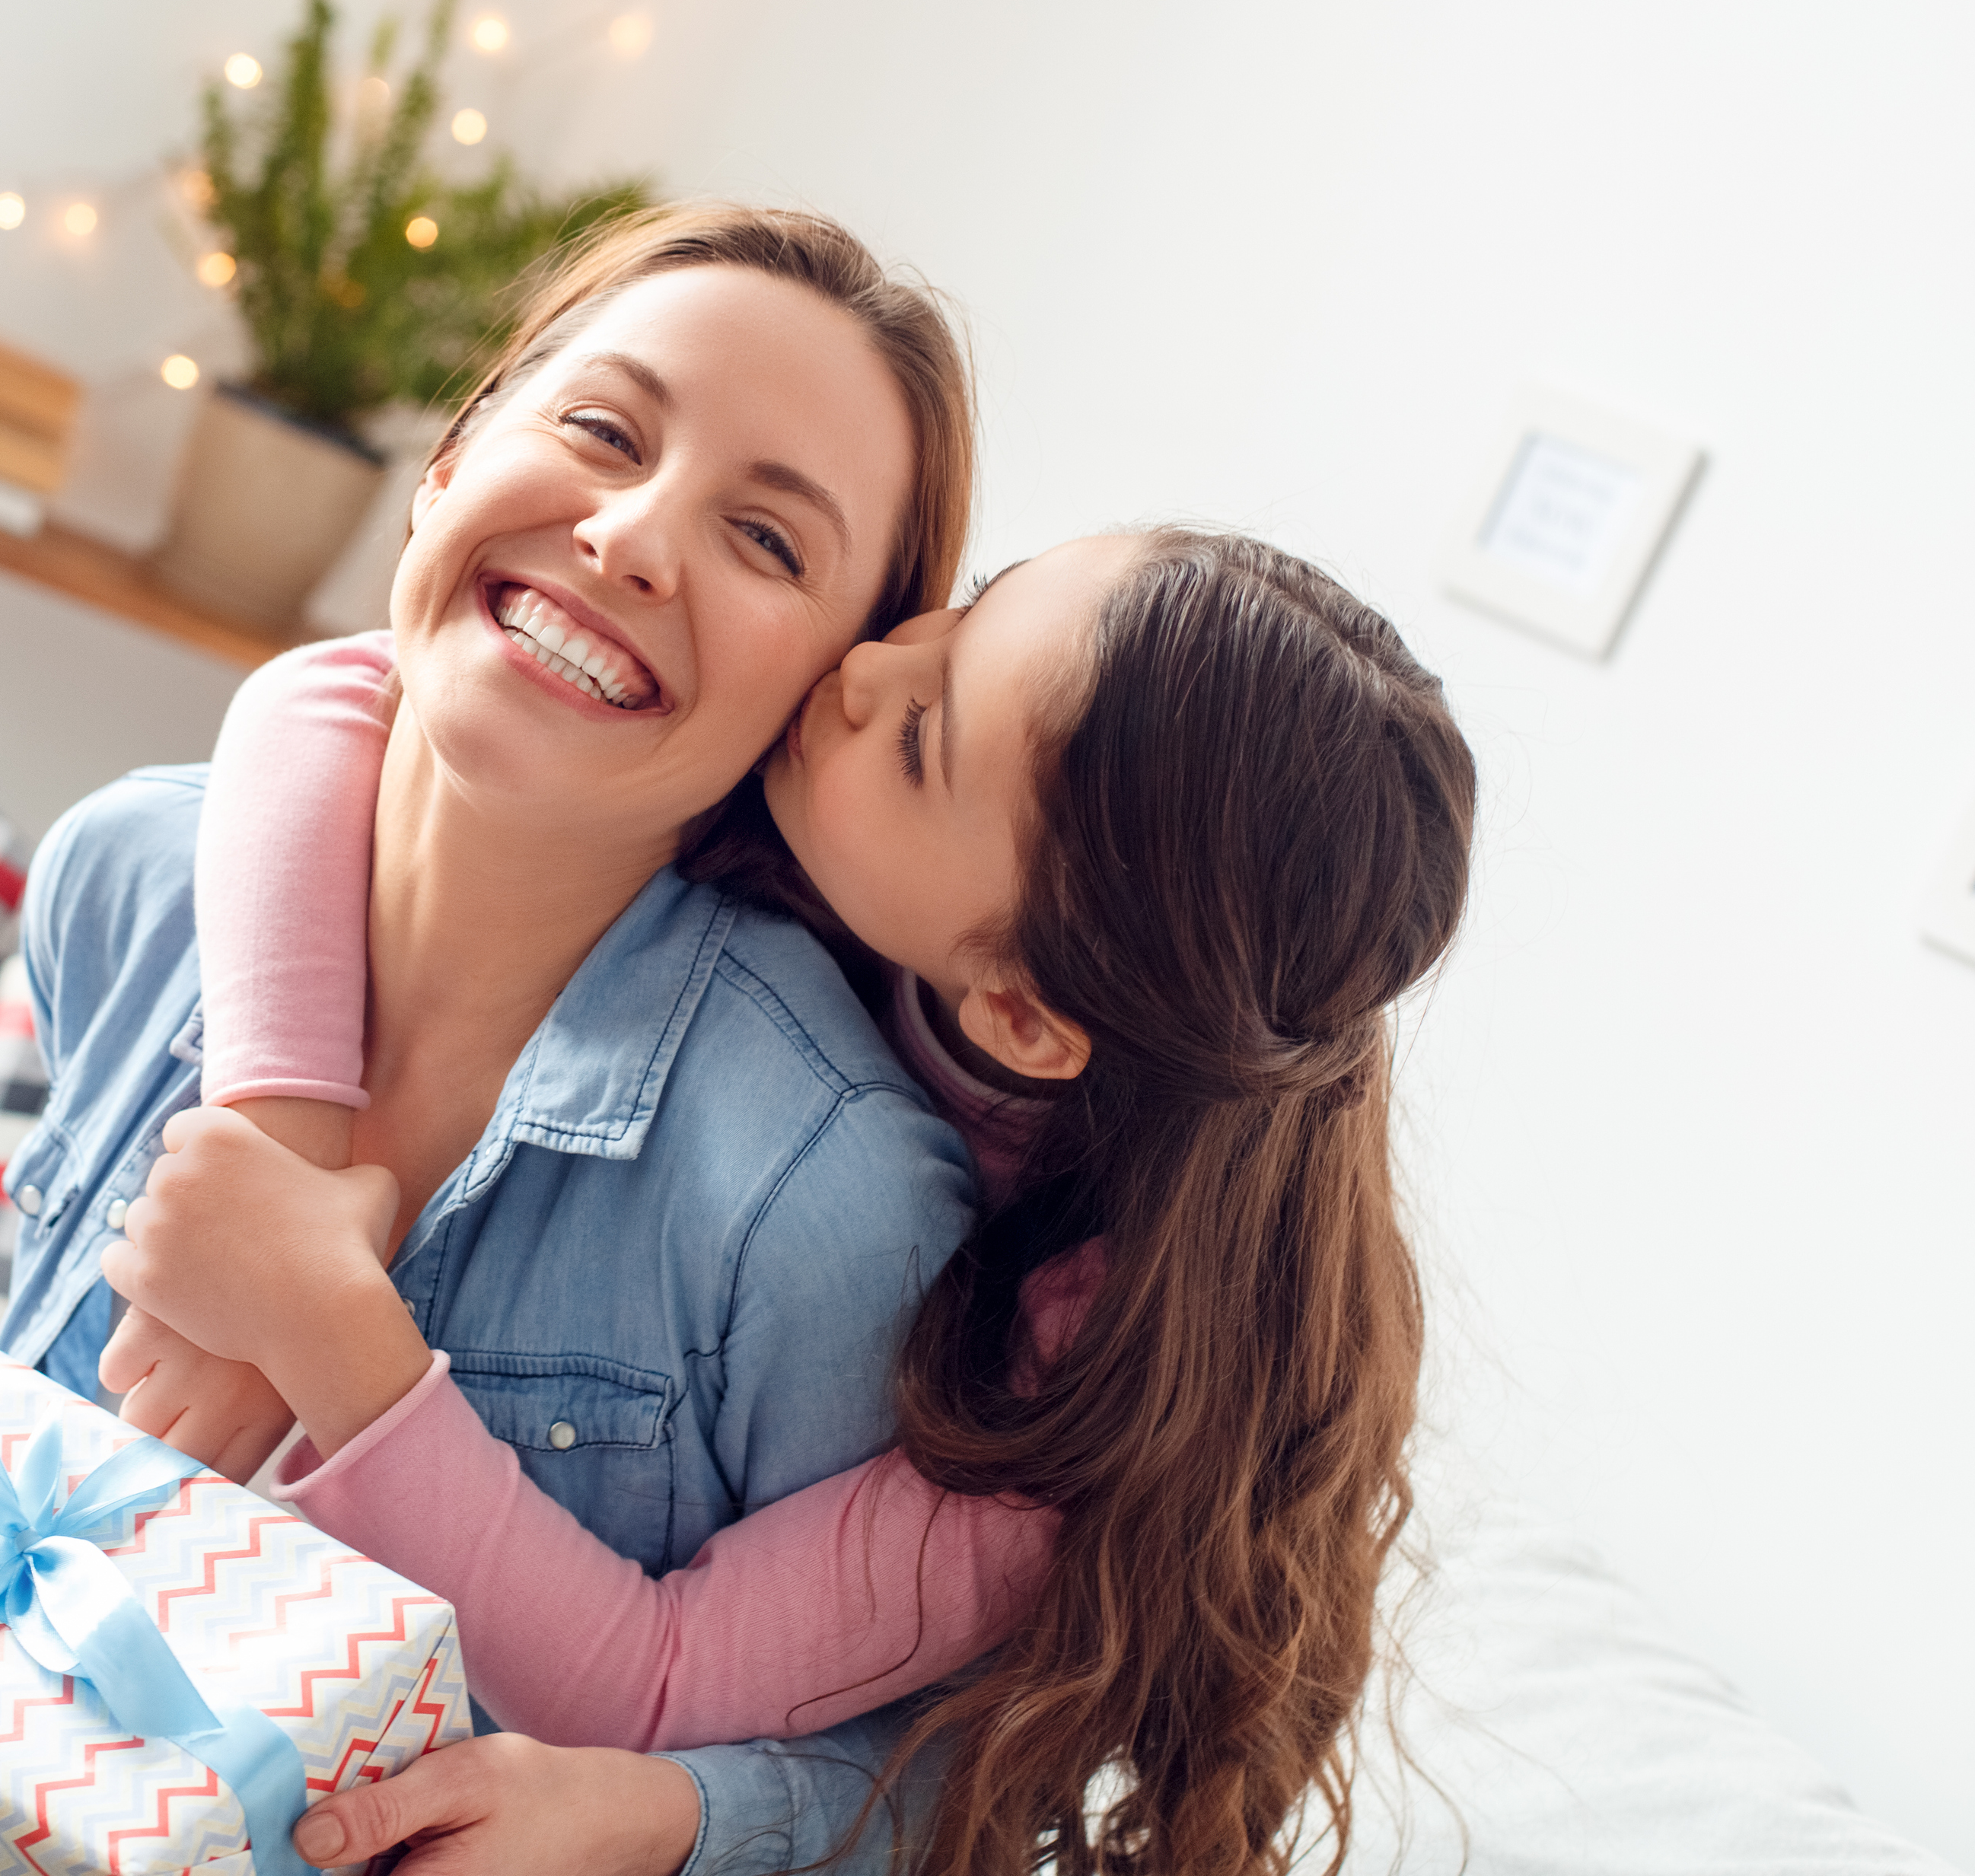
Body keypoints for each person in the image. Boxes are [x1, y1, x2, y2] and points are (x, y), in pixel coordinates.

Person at [0, 201, 995, 1876]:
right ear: (452, 456)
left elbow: (936, 1797)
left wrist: (671, 1825)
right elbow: (48, 1473)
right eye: (602, 429)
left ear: (824, 698)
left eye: (769, 540)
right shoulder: (131, 879)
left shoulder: (828, 1202)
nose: (632, 537)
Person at [101, 525, 1478, 1876]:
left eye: (923, 741)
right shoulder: (834, 820)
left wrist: (325, 1327)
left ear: (1020, 1012)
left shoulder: (1082, 1374)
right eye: (970, 607)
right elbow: (342, 687)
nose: (870, 667)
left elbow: (658, 1679)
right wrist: (283, 1136)